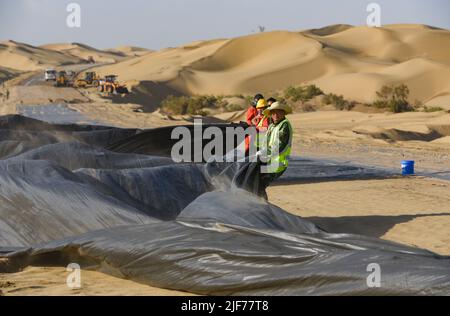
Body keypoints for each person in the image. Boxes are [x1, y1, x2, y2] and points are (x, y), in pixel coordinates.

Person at [256, 101, 293, 199]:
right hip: (269, 160)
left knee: (260, 184)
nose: (276, 115)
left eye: (278, 112)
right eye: (273, 112)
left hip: (278, 164)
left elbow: (278, 146)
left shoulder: (284, 125)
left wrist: (264, 153)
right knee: (255, 179)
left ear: (283, 113)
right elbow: (265, 142)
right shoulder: (272, 126)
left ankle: (263, 206)